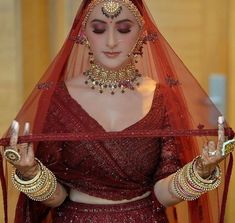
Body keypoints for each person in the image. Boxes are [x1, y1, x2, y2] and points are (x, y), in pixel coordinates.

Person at [0, 0, 234, 222]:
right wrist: (30, 172)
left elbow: (163, 194)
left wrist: (202, 170)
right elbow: (57, 197)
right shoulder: (59, 99)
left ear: (142, 33)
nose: (111, 41)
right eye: (99, 29)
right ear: (83, 34)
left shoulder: (160, 98)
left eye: (123, 29)